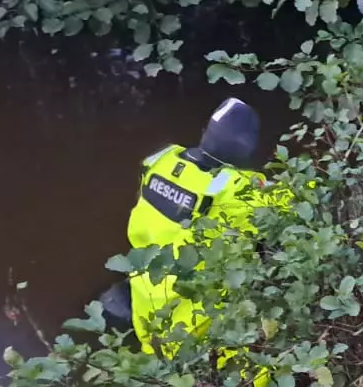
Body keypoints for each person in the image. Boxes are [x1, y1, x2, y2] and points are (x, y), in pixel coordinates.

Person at [123, 96, 290, 366]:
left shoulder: (162, 162)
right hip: (193, 331)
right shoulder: (236, 191)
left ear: (205, 133)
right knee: (257, 366)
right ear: (246, 149)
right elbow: (296, 201)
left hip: (146, 309)